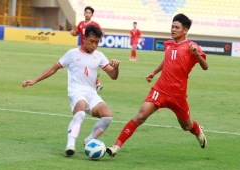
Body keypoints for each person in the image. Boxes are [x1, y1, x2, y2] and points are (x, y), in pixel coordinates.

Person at [106, 13, 209, 157]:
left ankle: (197, 130)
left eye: (176, 27)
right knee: (140, 116)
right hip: (160, 89)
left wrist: (196, 54)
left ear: (185, 30)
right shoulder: (168, 44)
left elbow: (205, 67)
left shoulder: (192, 46)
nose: (173, 29)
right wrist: (154, 73)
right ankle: (116, 146)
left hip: (178, 95)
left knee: (186, 126)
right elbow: (167, 61)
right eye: (172, 26)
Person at [22, 25, 120, 157]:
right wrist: (35, 80)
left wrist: (116, 67)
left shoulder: (100, 56)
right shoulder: (72, 54)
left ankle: (90, 139)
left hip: (92, 93)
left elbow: (113, 76)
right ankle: (70, 145)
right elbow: (54, 68)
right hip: (76, 91)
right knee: (80, 112)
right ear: (84, 38)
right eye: (92, 41)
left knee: (107, 116)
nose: (94, 45)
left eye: (97, 42)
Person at [70, 6, 105, 92]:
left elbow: (102, 33)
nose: (88, 14)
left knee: (84, 67)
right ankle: (97, 82)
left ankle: (95, 80)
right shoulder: (81, 24)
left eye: (89, 13)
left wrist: (95, 41)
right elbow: (76, 33)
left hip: (90, 50)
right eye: (86, 12)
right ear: (84, 13)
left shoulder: (94, 24)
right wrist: (72, 33)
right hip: (82, 49)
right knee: (84, 67)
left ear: (92, 14)